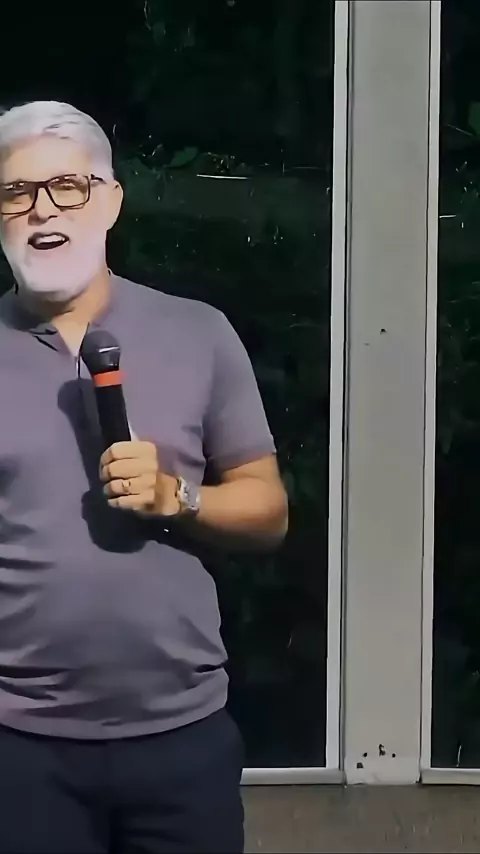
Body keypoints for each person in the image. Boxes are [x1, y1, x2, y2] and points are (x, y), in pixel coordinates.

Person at [0, 100, 288, 854]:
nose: (41, 210)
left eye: (67, 187)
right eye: (16, 192)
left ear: (111, 200)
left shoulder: (198, 332)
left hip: (181, 735)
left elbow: (268, 512)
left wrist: (177, 497)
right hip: (17, 745)